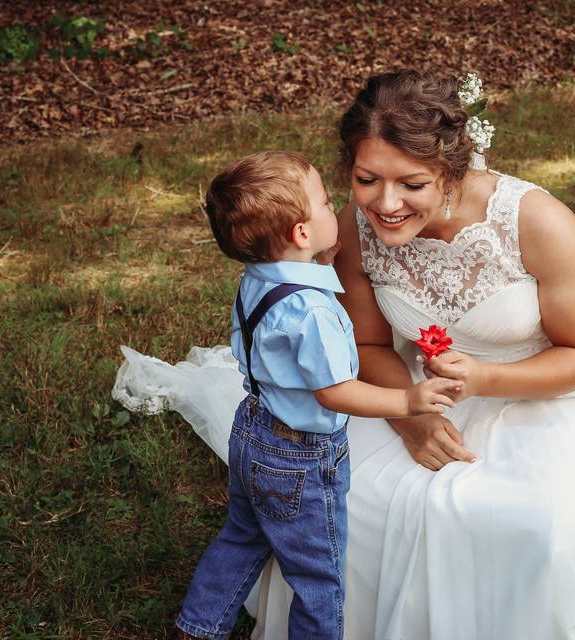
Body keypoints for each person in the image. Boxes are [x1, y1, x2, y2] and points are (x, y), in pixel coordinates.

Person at [114, 72, 575, 640]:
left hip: (554, 395)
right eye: (366, 179)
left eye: (412, 184)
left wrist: (482, 378)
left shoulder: (536, 221)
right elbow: (370, 345)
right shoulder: (350, 229)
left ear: (451, 172)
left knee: (542, 525)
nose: (386, 204)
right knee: (354, 508)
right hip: (409, 387)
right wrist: (408, 414)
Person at [166, 150, 462, 640]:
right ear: (302, 234)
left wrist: (321, 259)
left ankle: (197, 627)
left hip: (253, 429)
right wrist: (407, 402)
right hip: (299, 457)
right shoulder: (313, 312)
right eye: (326, 204)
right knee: (318, 575)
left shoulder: (260, 278)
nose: (336, 208)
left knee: (242, 535)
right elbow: (335, 392)